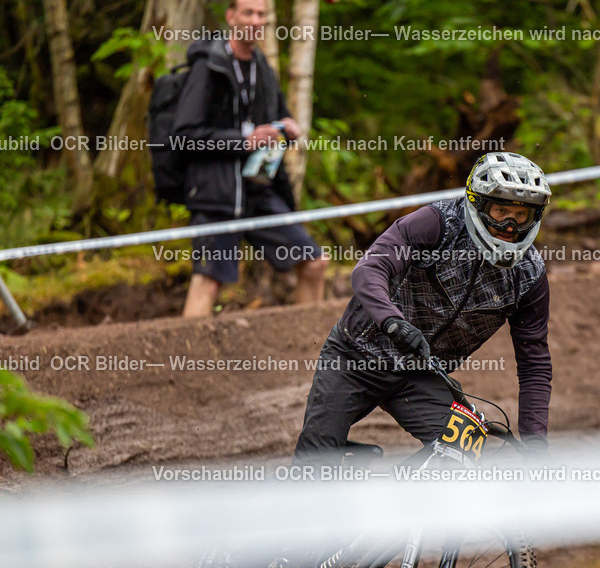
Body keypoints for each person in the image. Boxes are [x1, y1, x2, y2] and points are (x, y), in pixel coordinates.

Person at [293, 151, 553, 462]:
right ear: (479, 204)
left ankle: (400, 498)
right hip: (358, 354)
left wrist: (537, 443)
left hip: (423, 373)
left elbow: (534, 363)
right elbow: (369, 269)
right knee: (313, 465)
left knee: (462, 454)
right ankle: (349, 460)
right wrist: (391, 321)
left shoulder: (528, 275)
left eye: (521, 215)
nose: (510, 226)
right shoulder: (438, 223)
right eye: (500, 211)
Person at [173, 0, 328, 318]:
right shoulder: (208, 67)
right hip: (217, 197)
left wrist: (288, 125)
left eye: (261, 14)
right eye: (248, 13)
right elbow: (184, 138)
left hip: (259, 192)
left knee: (315, 262)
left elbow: (278, 116)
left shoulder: (264, 69)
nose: (255, 21)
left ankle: (315, 356)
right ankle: (187, 365)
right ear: (231, 17)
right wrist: (242, 141)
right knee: (208, 282)